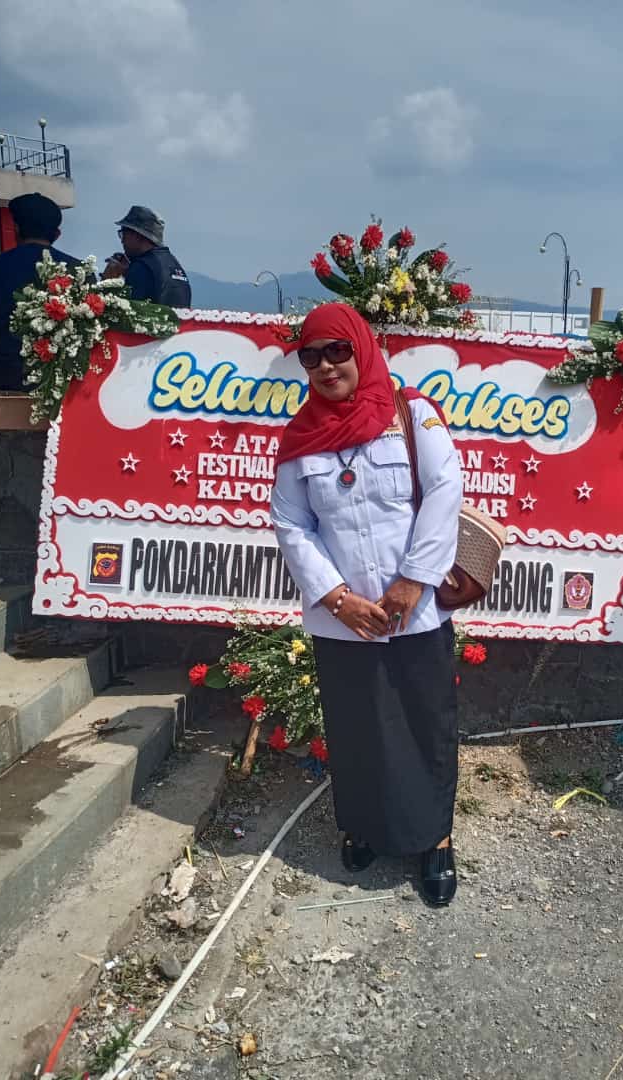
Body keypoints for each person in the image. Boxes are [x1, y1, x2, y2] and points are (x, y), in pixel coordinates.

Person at [270, 304, 463, 906]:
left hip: (415, 612)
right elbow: (290, 523)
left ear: (362, 349)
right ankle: (365, 826)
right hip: (343, 621)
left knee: (424, 722)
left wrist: (413, 581)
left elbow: (445, 491)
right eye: (312, 357)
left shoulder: (412, 414)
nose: (327, 367)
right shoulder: (300, 438)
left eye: (338, 351)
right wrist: (337, 599)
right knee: (357, 727)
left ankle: (435, 838)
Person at [0, 192, 79, 391]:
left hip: (2, 381)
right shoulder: (79, 271)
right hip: (63, 382)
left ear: (16, 229)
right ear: (57, 234)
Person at [108, 205, 191, 307]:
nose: (122, 241)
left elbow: (126, 311)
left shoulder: (141, 268)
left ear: (137, 235)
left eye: (123, 234)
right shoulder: (174, 264)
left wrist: (109, 283)